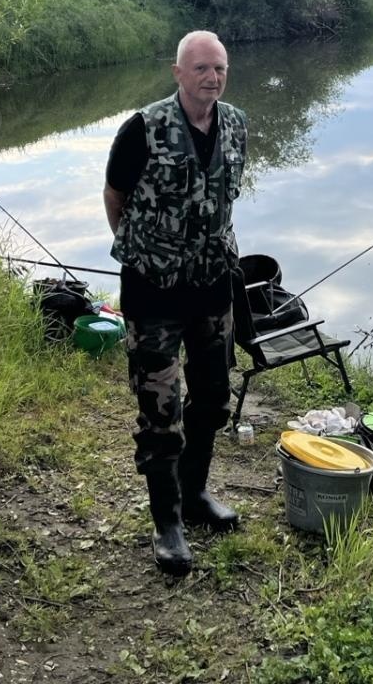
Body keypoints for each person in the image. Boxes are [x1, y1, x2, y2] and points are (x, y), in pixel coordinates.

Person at [103, 30, 247, 576]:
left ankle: (195, 495)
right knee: (161, 413)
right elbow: (115, 195)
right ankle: (167, 524)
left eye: (220, 68)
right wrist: (146, 252)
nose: (213, 77)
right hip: (154, 293)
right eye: (202, 68)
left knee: (212, 398)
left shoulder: (236, 124)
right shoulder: (142, 128)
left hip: (212, 287)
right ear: (178, 72)